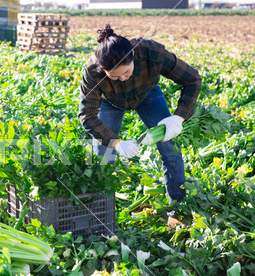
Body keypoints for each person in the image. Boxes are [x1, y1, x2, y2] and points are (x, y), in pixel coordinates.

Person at [78, 25, 202, 227]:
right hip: (111, 102)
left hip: (148, 94)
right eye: (115, 77)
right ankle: (100, 214)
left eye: (126, 72)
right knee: (102, 156)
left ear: (133, 55)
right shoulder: (92, 71)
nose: (123, 79)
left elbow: (193, 79)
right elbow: (87, 115)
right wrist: (116, 143)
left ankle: (177, 208)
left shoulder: (152, 52)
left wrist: (179, 118)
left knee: (170, 148)